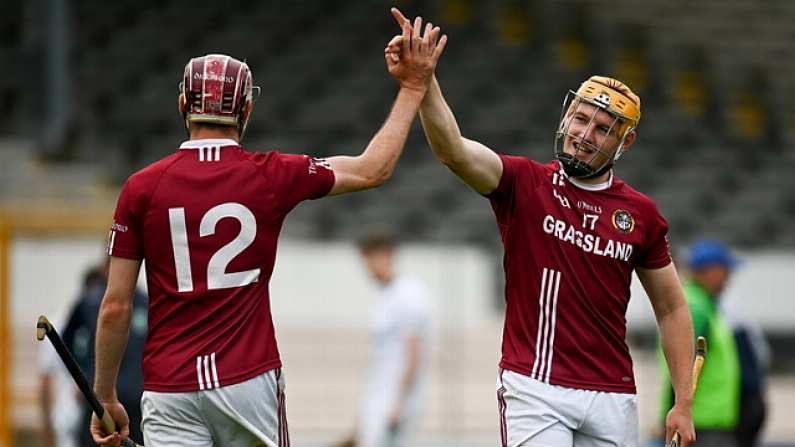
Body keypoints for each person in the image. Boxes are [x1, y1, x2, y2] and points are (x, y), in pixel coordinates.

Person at [91, 20, 448, 447]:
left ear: (183, 103)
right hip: (248, 380)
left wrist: (106, 394)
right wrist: (412, 88)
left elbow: (115, 307)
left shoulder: (141, 188)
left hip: (170, 387)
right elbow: (375, 167)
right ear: (246, 110)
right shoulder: (272, 175)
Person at [385, 8, 696, 446]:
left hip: (613, 394)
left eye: (603, 129)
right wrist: (425, 83)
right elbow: (453, 150)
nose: (586, 134)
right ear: (567, 115)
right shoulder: (523, 182)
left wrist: (682, 403)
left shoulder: (640, 214)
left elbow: (672, 308)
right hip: (535, 386)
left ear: (625, 142)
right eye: (581, 118)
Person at [659, 240, 742, 447]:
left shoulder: (703, 305)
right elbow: (682, 366)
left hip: (707, 424)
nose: (728, 278)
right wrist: (676, 412)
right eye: (725, 270)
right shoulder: (696, 308)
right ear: (709, 271)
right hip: (701, 427)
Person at [355, 230, 432, 447]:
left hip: (395, 403)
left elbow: (414, 352)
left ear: (385, 255)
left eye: (369, 260)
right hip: (380, 398)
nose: (367, 269)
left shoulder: (409, 293)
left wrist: (400, 403)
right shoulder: (385, 296)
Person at [59, 263, 148, 446]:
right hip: (97, 398)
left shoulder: (146, 302)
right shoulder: (90, 301)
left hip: (136, 398)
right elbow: (66, 340)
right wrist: (82, 376)